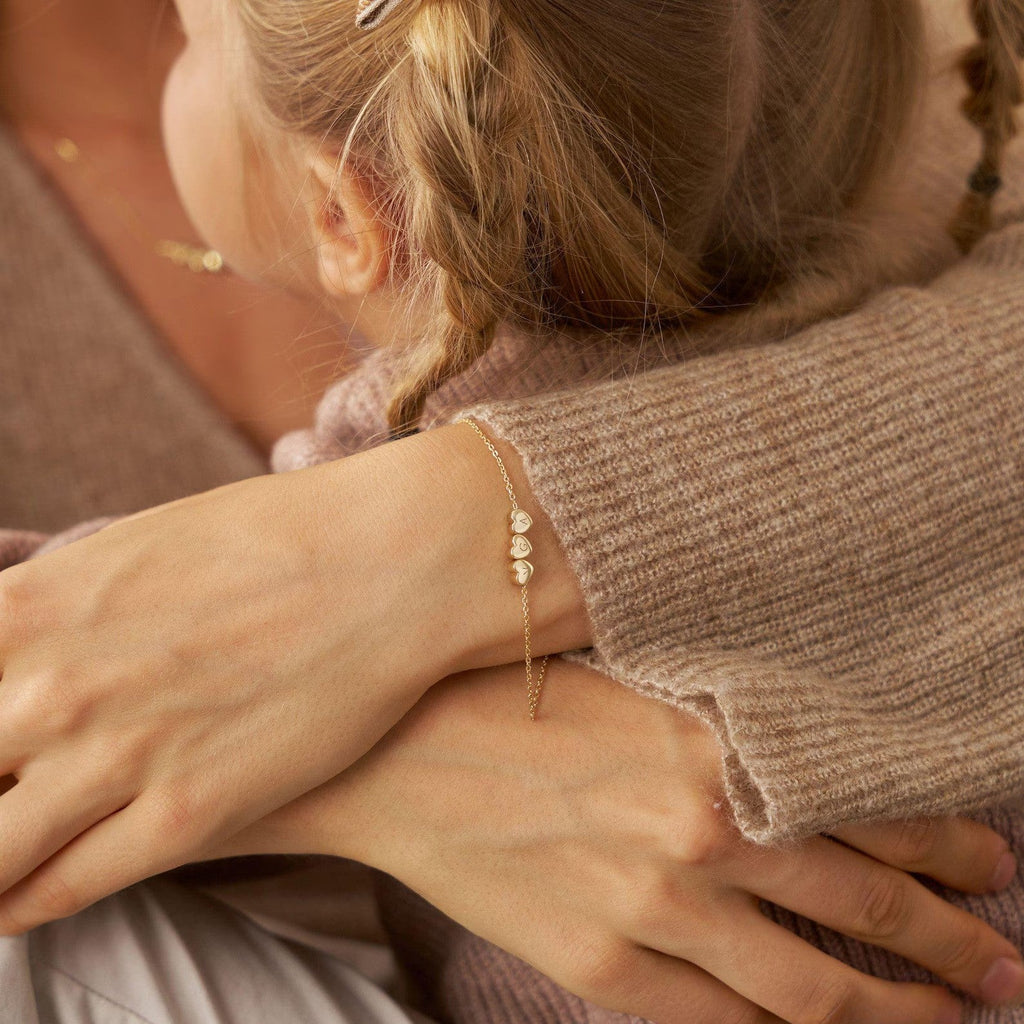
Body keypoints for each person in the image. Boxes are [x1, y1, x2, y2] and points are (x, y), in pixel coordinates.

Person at [1, 0, 1024, 1021]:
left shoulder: (379, 439)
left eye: (186, 38)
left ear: (342, 216)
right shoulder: (901, 182)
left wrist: (487, 519)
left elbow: (72, 651)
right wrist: (397, 761)